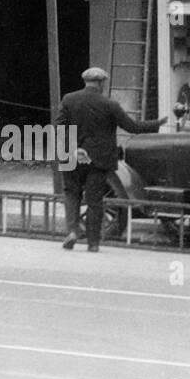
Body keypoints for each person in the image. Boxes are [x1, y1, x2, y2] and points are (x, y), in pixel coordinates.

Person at [56, 67, 164, 252]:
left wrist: (74, 148)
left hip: (73, 156)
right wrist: (157, 124)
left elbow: (59, 128)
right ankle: (93, 243)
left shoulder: (68, 99)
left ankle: (73, 231)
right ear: (101, 83)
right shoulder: (110, 104)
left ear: (85, 81)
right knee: (94, 200)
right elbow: (133, 127)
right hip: (99, 159)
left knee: (71, 194)